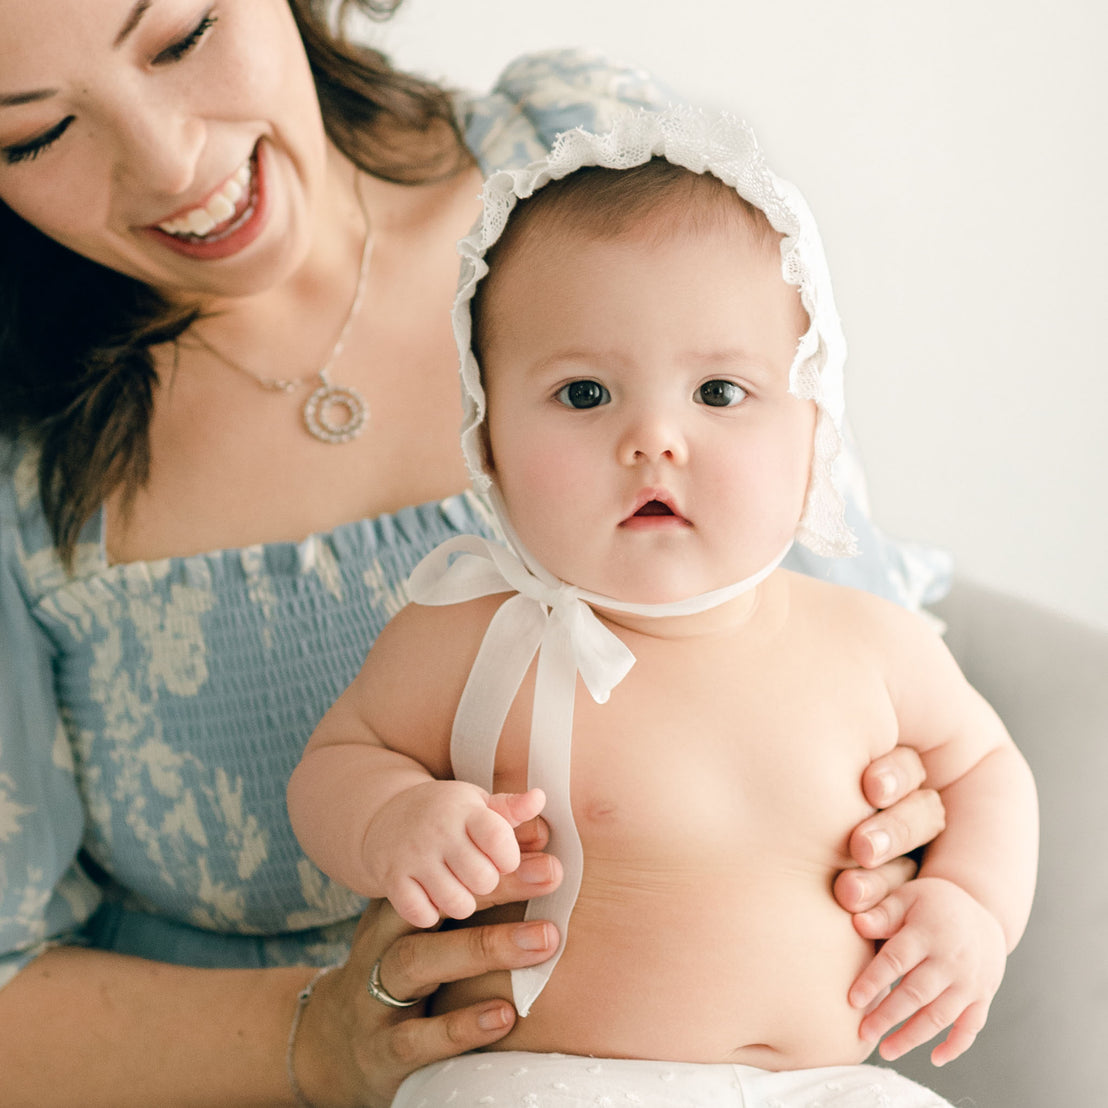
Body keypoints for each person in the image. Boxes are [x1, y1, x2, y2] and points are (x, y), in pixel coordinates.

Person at [0, 3, 947, 1105]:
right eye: (29, 134)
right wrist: (311, 1043)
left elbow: (838, 601)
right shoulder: (26, 451)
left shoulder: (596, 157)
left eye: (181, 37)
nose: (170, 163)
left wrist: (926, 842)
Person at [288, 110, 1038, 1107]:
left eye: (719, 392)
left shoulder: (871, 642)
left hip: (824, 1084)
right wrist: (392, 817)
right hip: (544, 1078)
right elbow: (337, 761)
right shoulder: (468, 635)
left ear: (813, 429)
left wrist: (970, 907)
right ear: (487, 438)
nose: (654, 439)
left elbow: (988, 769)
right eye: (584, 393)